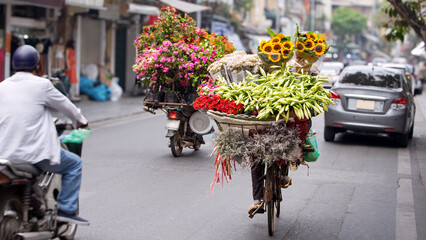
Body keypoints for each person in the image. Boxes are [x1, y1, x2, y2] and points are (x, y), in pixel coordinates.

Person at [0, 45, 90, 225]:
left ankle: (34, 207)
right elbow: (66, 106)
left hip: (4, 154)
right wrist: (81, 120)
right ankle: (66, 210)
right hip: (32, 154)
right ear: (38, 66)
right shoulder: (42, 85)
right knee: (74, 165)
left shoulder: (2, 86)